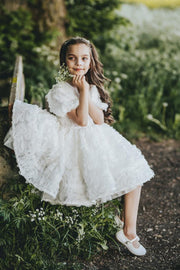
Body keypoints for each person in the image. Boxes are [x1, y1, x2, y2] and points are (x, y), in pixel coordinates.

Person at [4, 37, 154, 256]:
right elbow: (82, 121)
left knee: (135, 171)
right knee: (109, 178)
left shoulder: (89, 87)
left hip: (97, 138)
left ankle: (127, 228)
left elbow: (99, 120)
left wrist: (86, 90)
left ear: (91, 61)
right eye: (72, 58)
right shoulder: (60, 91)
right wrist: (82, 91)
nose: (79, 63)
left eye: (84, 58)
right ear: (64, 62)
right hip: (74, 142)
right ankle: (126, 231)